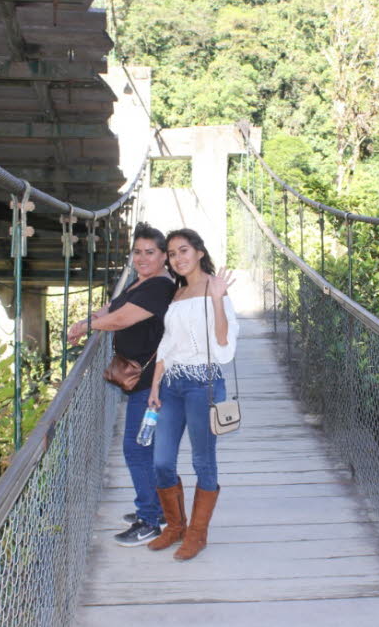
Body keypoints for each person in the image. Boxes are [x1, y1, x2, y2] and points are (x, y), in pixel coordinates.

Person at [67, 222, 175, 547]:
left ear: (163, 257)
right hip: (142, 381)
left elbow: (121, 319)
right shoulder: (139, 282)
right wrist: (90, 319)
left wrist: (84, 325)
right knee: (147, 448)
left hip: (154, 384)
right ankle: (160, 509)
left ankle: (149, 521)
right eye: (137, 252)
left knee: (137, 449)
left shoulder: (159, 287)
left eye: (150, 253)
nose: (142, 258)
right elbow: (112, 308)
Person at [146, 228, 238, 561]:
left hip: (204, 386)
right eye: (171, 254)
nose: (178, 258)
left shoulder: (216, 289)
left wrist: (216, 299)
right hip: (171, 385)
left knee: (203, 461)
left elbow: (224, 348)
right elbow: (167, 345)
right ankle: (175, 526)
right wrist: (156, 384)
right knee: (161, 461)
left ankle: (197, 534)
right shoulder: (177, 294)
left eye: (183, 250)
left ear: (199, 252)